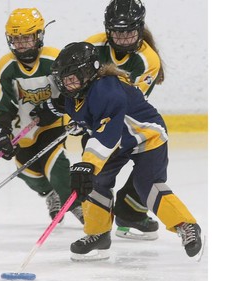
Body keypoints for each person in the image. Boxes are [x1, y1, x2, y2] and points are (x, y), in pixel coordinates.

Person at [50, 42, 204, 261]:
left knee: (146, 185)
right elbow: (94, 122)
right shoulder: (77, 92)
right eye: (63, 79)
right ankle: (98, 234)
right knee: (95, 181)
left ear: (88, 72)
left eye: (72, 78)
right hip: (118, 140)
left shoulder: (107, 90)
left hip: (146, 137)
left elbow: (107, 133)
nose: (67, 84)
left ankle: (185, 225)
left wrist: (88, 164)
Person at [0, 7, 83, 224]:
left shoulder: (55, 60)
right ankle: (51, 193)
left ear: (39, 36)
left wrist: (57, 107)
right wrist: (1, 129)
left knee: (55, 163)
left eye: (27, 38)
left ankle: (76, 205)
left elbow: (73, 90)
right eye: (16, 40)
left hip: (52, 124)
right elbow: (0, 101)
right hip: (22, 129)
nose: (22, 44)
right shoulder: (6, 67)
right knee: (27, 172)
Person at [81, 0, 165, 240]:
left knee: (151, 165)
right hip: (96, 120)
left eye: (129, 32)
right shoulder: (92, 45)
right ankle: (98, 231)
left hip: (130, 120)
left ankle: (131, 214)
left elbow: (126, 104)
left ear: (140, 28)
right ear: (108, 29)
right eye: (118, 32)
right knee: (97, 175)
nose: (124, 38)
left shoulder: (148, 60)